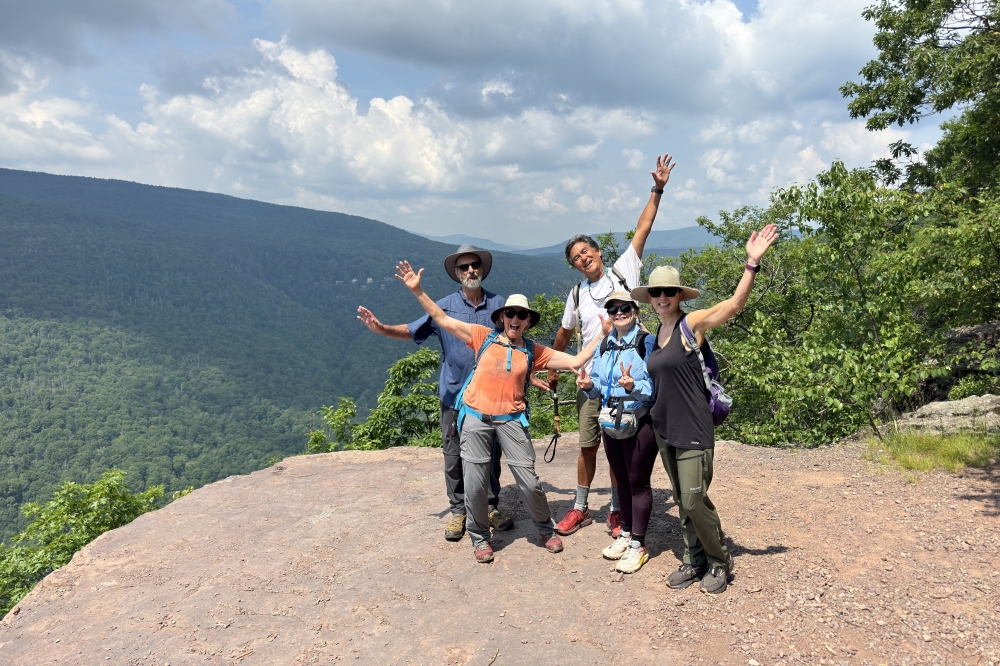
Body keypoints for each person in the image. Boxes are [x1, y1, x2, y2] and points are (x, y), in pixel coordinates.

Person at [395, 259, 612, 563]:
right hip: (474, 417)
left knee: (529, 480)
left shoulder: (533, 351)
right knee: (475, 481)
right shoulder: (482, 337)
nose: (515, 318)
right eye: (510, 313)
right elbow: (442, 319)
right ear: (501, 317)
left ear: (527, 322)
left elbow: (577, 360)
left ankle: (544, 528)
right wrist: (418, 291)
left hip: (511, 420)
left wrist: (603, 334)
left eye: (522, 315)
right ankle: (480, 538)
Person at [631, 224, 778, 594]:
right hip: (664, 429)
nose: (663, 297)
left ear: (679, 295)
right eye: (657, 292)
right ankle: (693, 559)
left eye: (669, 291)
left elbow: (733, 305)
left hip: (694, 428)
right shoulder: (653, 337)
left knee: (695, 500)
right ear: (650, 297)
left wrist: (751, 264)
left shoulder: (689, 325)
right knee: (682, 501)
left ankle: (719, 560)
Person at [550, 153, 676, 538]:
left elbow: (643, 228)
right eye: (575, 258)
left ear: (599, 251)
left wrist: (657, 188)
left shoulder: (624, 270)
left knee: (622, 448)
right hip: (593, 379)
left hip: (632, 375)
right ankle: (581, 506)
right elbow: (564, 335)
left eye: (586, 252)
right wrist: (557, 370)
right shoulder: (577, 293)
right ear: (574, 266)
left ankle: (619, 509)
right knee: (590, 444)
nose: (583, 258)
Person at [356, 244, 514, 542]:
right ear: (457, 273)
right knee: (453, 454)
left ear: (482, 269)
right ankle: (459, 510)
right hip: (454, 395)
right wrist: (381, 329)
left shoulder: (500, 305)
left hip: (492, 396)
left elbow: (516, 345)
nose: (470, 270)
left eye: (474, 265)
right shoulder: (444, 306)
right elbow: (413, 330)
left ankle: (490, 506)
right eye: (464, 267)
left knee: (491, 453)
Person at [575, 290, 656, 574]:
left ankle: (638, 545)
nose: (619, 313)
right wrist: (589, 386)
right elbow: (598, 383)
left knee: (638, 483)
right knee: (621, 480)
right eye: (613, 309)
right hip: (611, 419)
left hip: (639, 420)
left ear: (635, 310)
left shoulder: (647, 342)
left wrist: (634, 386)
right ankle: (625, 535)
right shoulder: (606, 343)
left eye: (624, 308)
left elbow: (656, 389)